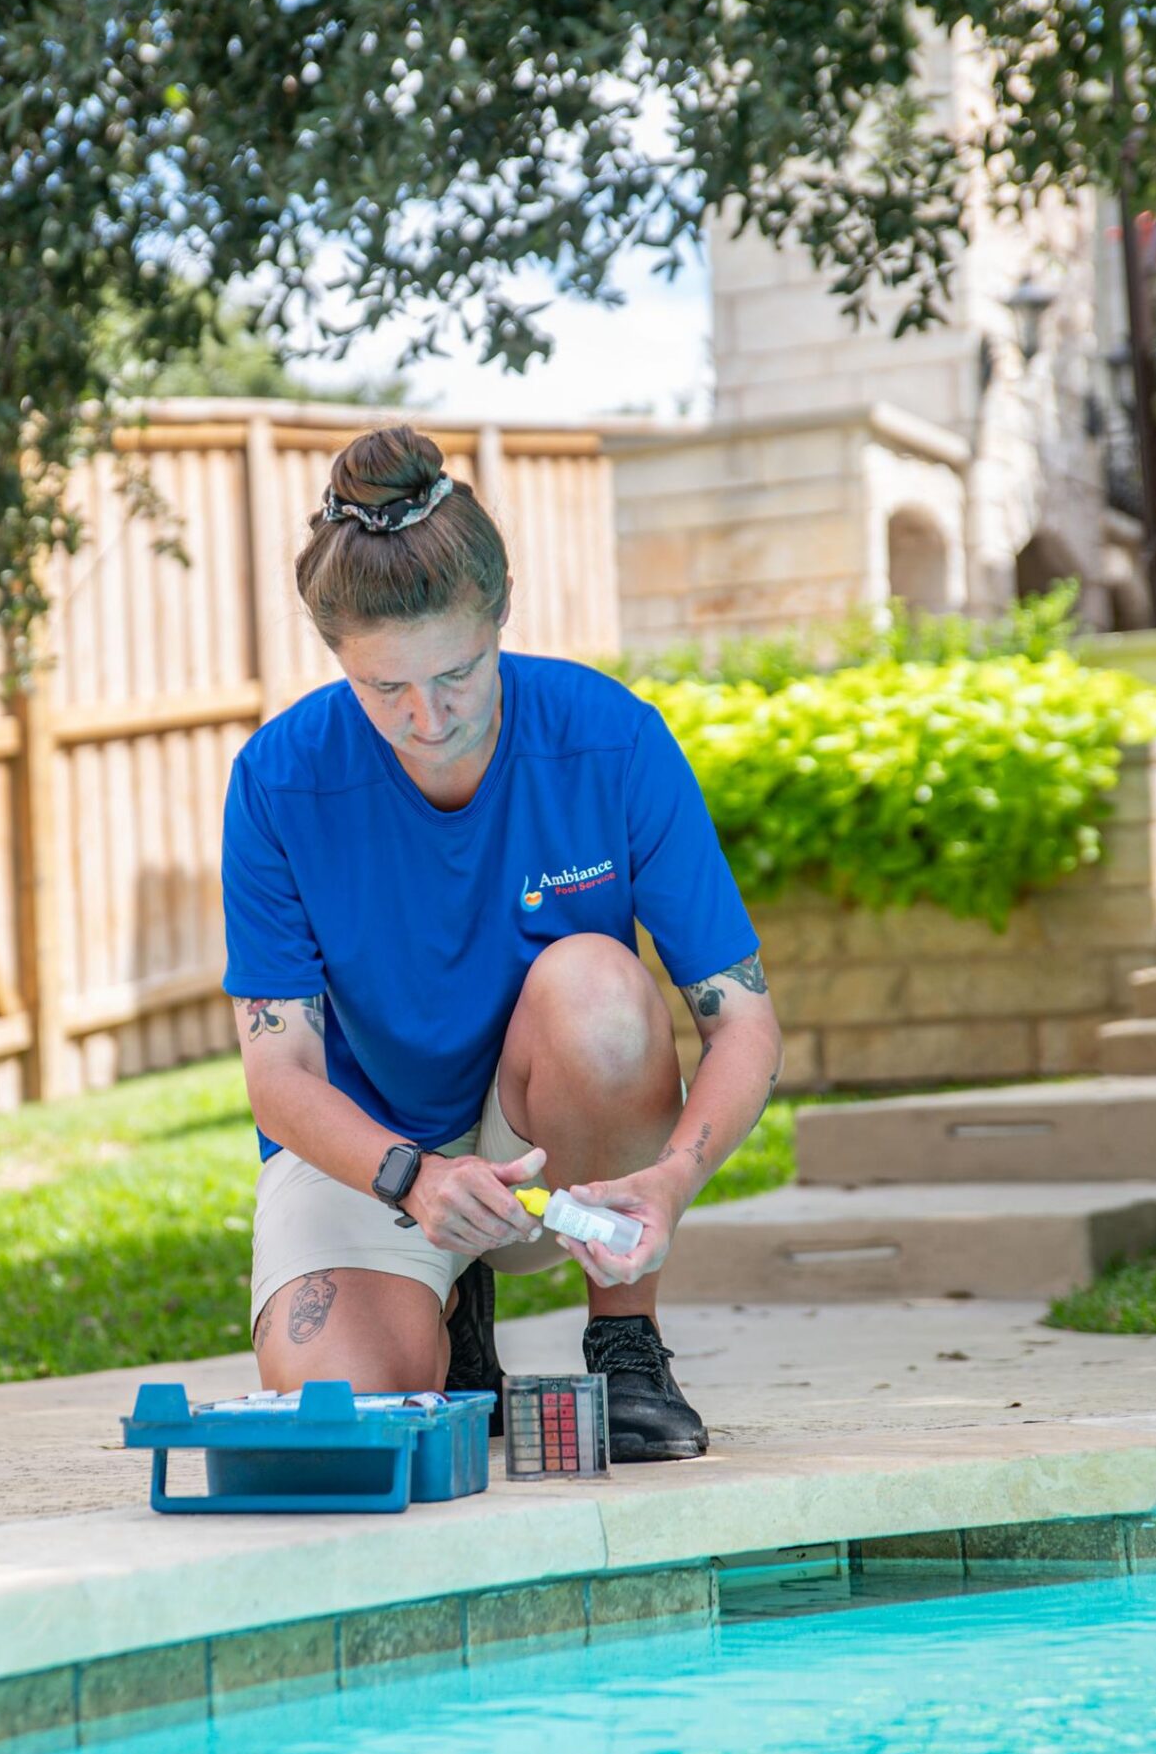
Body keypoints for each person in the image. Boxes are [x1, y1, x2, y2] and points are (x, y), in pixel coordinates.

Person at [219, 425, 782, 1460]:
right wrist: (415, 1178)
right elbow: (279, 1074)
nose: (428, 717)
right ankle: (453, 1330)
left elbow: (742, 1019)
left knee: (603, 991)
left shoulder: (612, 738)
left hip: (558, 1157)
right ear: (336, 655)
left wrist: (672, 1180)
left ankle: (626, 1338)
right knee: (348, 1422)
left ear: (501, 612)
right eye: (385, 687)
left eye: (459, 673)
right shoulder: (276, 777)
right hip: (373, 1158)